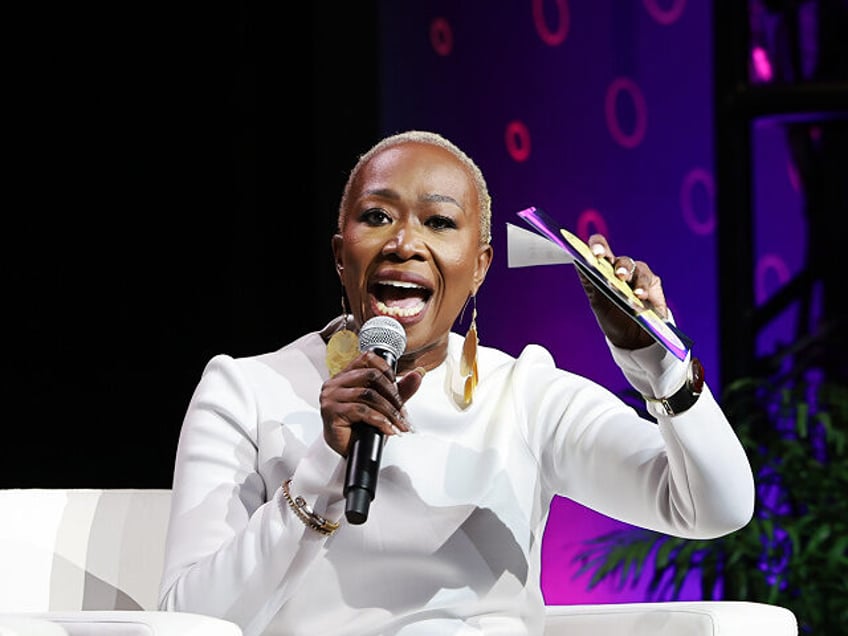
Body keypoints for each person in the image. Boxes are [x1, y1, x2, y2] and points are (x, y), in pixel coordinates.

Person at [158, 130, 755, 635]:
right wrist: (323, 468)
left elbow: (715, 507)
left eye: (439, 222)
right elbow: (191, 619)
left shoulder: (524, 394)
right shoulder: (245, 389)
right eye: (376, 216)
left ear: (479, 267)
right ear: (342, 256)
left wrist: (660, 365)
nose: (404, 242)